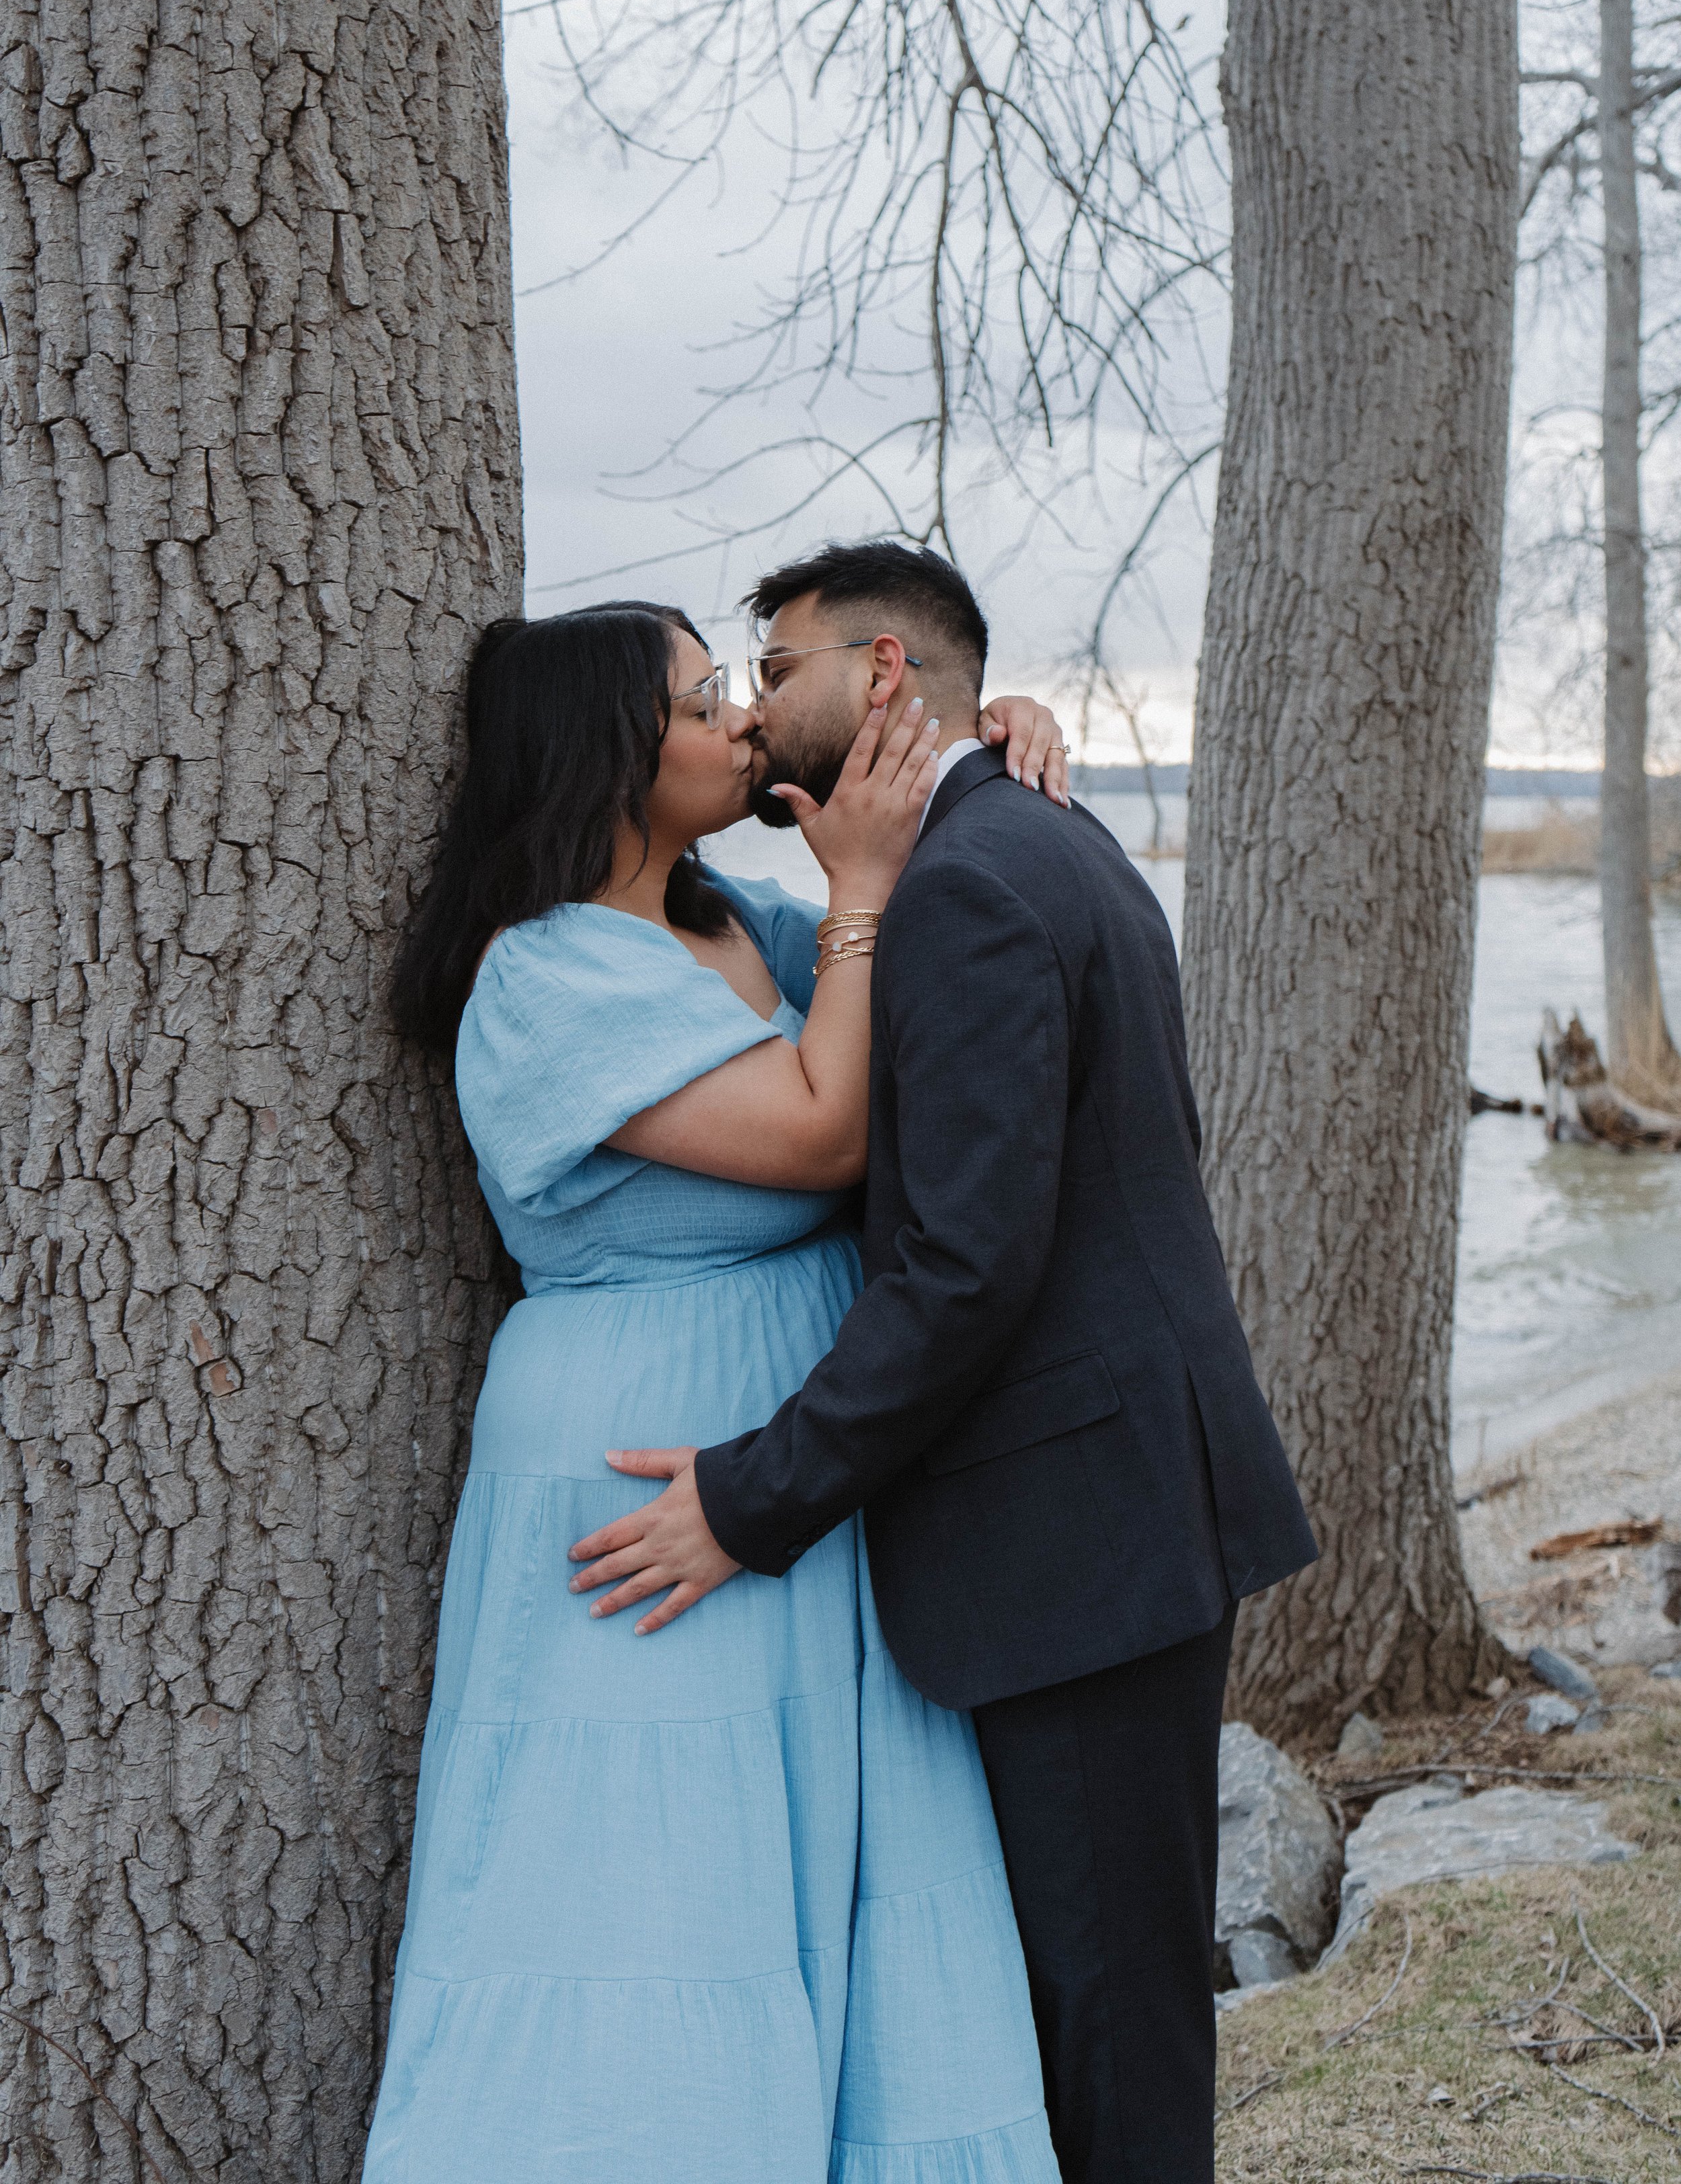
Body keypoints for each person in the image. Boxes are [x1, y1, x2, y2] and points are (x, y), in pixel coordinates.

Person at [567, 542, 1319, 2184]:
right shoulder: (1022, 835)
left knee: (1104, 2031)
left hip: (1072, 1548)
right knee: (1098, 2007)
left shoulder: (968, 891)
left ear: (884, 675)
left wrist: (748, 1501)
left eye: (775, 674)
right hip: (1117, 1513)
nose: (754, 715)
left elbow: (963, 1273)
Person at [363, 599, 1070, 2183]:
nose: (741, 724)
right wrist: (872, 879)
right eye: (702, 701)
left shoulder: (746, 924)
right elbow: (826, 1127)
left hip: (795, 1476)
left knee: (830, 1871)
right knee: (653, 1892)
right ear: (609, 757)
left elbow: (912, 997)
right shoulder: (538, 976)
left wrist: (976, 746)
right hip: (643, 1465)